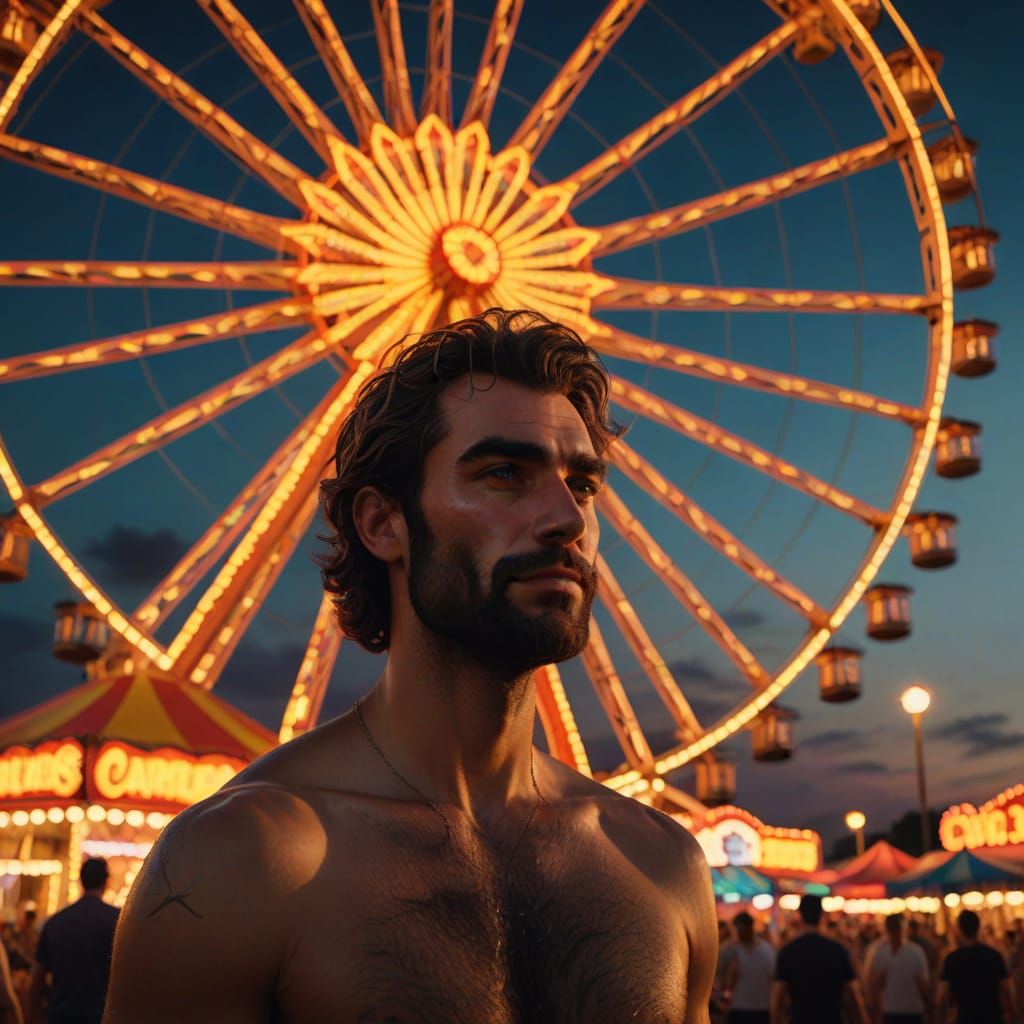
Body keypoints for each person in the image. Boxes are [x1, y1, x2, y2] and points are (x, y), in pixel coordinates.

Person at [104, 309, 718, 1022]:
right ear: (382, 523)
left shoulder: (664, 865)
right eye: (503, 474)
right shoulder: (243, 865)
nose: (566, 519)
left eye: (582, 484)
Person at [29, 858, 119, 1024]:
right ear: (106, 882)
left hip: (60, 1016)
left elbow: (37, 978)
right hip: (100, 1017)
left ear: (80, 881)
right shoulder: (118, 922)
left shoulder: (56, 922)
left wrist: (33, 1017)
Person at [772, 894, 868, 1024]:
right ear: (822, 915)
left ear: (800, 915)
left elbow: (778, 999)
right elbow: (852, 996)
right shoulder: (837, 951)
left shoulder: (788, 952)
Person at [938, 909, 1016, 1024]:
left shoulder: (952, 959)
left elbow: (941, 996)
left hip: (965, 1018)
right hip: (993, 1017)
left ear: (959, 930)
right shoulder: (994, 955)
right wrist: (1011, 1012)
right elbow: (1007, 989)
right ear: (978, 928)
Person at [865, 913, 930, 1024]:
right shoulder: (916, 951)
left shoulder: (879, 951)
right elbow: (923, 985)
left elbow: (875, 984)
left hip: (891, 1009)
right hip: (911, 1010)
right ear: (904, 928)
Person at [720, 911, 774, 1024]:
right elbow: (721, 979)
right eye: (738, 929)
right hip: (737, 1008)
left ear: (750, 927)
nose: (740, 932)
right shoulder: (730, 951)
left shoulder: (766, 950)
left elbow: (773, 979)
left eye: (742, 928)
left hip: (761, 1009)